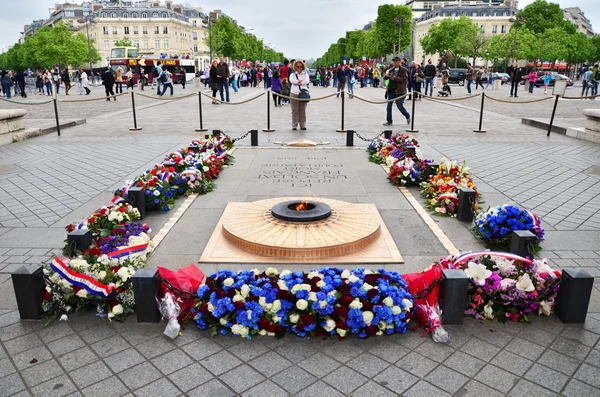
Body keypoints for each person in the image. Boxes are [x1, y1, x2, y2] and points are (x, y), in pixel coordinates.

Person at [383, 57, 410, 126]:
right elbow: (385, 78)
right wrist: (387, 75)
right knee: (389, 106)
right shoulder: (391, 70)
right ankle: (389, 120)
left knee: (399, 106)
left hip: (400, 91)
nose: (394, 63)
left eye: (396, 61)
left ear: (399, 62)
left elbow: (404, 79)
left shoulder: (404, 70)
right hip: (391, 90)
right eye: (394, 62)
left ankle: (407, 115)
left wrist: (395, 78)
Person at [289, 60, 310, 130]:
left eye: (300, 66)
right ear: (295, 67)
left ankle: (303, 124)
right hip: (294, 93)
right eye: (298, 66)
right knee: (294, 110)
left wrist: (298, 83)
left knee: (302, 110)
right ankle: (294, 124)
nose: (299, 68)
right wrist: (299, 81)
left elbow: (306, 81)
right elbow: (291, 80)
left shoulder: (305, 74)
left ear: (303, 67)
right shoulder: (292, 74)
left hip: (303, 93)